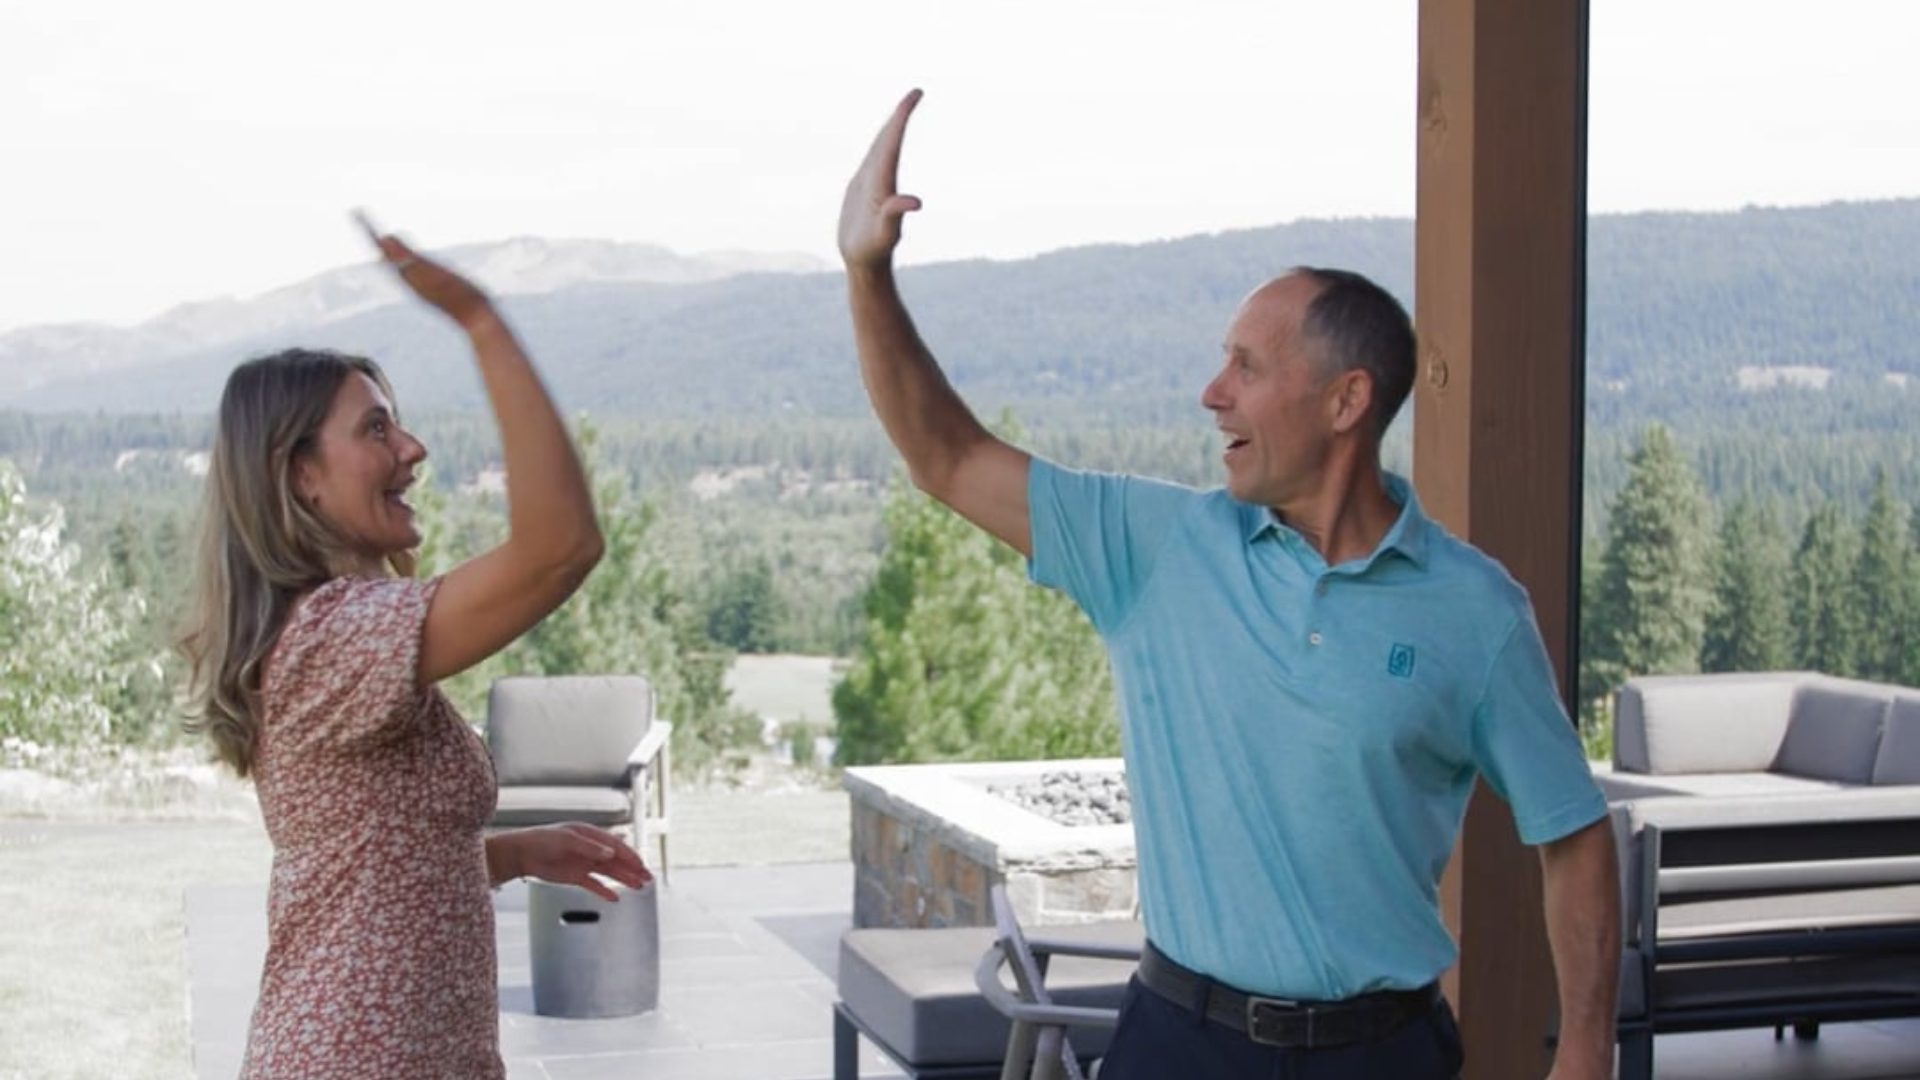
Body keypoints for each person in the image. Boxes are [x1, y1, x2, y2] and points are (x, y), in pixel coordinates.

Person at [836, 91, 1620, 1080]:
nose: (1213, 394)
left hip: (1384, 1055)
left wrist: (1587, 1047)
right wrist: (867, 273)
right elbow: (945, 457)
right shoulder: (1156, 547)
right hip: (1181, 1042)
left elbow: (1573, 832)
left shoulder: (1474, 610)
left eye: (1246, 367)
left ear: (1347, 401)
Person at [179, 220, 651, 1080]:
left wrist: (509, 854)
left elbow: (371, 857)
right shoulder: (330, 638)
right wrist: (480, 320)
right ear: (301, 476)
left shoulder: (335, 636)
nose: (413, 450)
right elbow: (560, 548)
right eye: (377, 431)